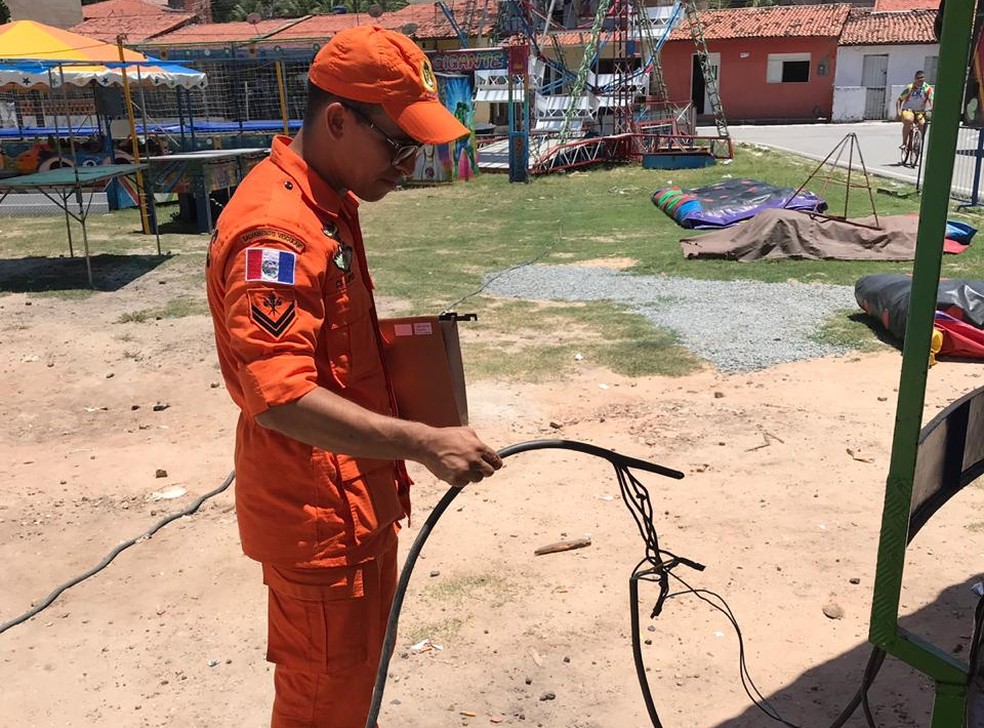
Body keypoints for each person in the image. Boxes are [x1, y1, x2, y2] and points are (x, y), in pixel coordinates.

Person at [204, 25, 503, 728]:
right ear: (338, 120)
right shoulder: (276, 231)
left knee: (356, 685)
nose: (409, 165)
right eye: (398, 146)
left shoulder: (327, 204)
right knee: (323, 704)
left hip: (357, 499)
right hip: (317, 521)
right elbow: (280, 396)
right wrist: (424, 442)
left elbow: (332, 358)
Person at [897, 70, 934, 153]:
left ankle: (918, 142)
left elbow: (931, 100)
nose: (920, 80)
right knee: (908, 120)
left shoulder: (928, 89)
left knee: (923, 124)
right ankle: (904, 143)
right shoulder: (910, 88)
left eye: (922, 78)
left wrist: (932, 108)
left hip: (920, 111)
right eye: (918, 78)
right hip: (908, 110)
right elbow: (899, 100)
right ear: (915, 79)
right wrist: (899, 112)